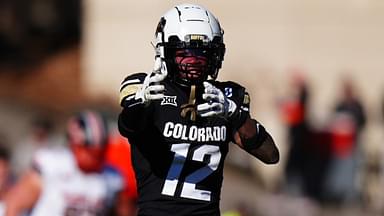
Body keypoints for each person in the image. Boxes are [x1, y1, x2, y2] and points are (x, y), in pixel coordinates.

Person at [118, 3, 279, 216]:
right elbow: (128, 126)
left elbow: (270, 155)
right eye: (185, 53)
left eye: (203, 54)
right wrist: (141, 104)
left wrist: (236, 115)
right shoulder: (148, 88)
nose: (194, 62)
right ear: (164, 52)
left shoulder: (226, 97)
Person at [4, 110, 122, 216]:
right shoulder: (51, 164)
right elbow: (14, 205)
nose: (94, 158)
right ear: (74, 145)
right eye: (88, 151)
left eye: (99, 152)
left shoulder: (111, 177)